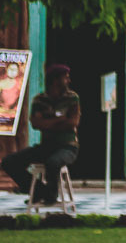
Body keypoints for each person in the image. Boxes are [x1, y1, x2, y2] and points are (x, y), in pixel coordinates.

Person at [2, 62, 80, 203]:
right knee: (9, 162)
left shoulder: (72, 98)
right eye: (65, 77)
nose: (69, 80)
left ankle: (49, 196)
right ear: (55, 80)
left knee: (53, 163)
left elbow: (73, 122)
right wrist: (59, 120)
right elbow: (36, 124)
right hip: (47, 146)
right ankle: (41, 191)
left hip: (67, 147)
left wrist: (48, 123)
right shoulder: (39, 100)